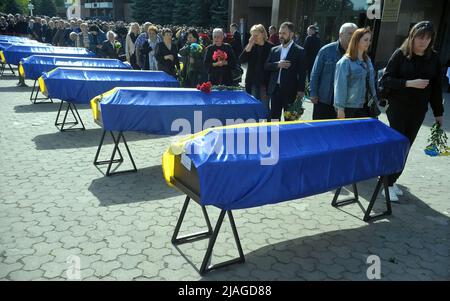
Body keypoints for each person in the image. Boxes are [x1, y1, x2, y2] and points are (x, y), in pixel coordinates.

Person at [380, 21, 444, 201]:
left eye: (427, 38)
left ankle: (392, 179)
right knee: (398, 144)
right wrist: (408, 83)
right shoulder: (400, 55)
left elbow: (437, 88)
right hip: (398, 108)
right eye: (420, 37)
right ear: (412, 37)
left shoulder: (434, 58)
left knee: (407, 146)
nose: (423, 42)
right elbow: (385, 81)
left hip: (418, 111)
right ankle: (388, 182)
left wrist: (439, 113)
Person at [310, 23, 357, 120]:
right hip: (324, 100)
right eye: (350, 33)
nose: (353, 37)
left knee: (339, 132)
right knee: (320, 131)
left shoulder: (358, 54)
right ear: (341, 35)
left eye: (355, 34)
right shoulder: (326, 50)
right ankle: (274, 135)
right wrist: (313, 93)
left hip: (345, 103)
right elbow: (315, 73)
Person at [264, 22, 306, 120]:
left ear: (291, 34)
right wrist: (278, 65)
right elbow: (266, 66)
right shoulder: (274, 50)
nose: (281, 36)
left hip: (290, 91)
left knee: (289, 120)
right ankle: (274, 135)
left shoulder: (299, 51)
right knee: (274, 119)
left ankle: (288, 136)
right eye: (280, 33)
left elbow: (302, 72)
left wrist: (301, 90)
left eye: (284, 33)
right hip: (275, 90)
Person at [334, 27, 377, 119]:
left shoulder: (368, 60)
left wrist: (375, 101)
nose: (368, 43)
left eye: (369, 40)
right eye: (365, 40)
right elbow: (340, 87)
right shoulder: (345, 62)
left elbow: (371, 84)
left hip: (366, 106)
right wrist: (340, 109)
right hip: (350, 107)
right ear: (357, 41)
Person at [239, 24, 273, 110]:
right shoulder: (251, 47)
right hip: (252, 81)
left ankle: (267, 124)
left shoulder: (271, 47)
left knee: (264, 108)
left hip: (265, 83)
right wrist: (249, 46)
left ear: (262, 34)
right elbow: (241, 60)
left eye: (256, 35)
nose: (254, 38)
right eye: (252, 35)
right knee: (253, 107)